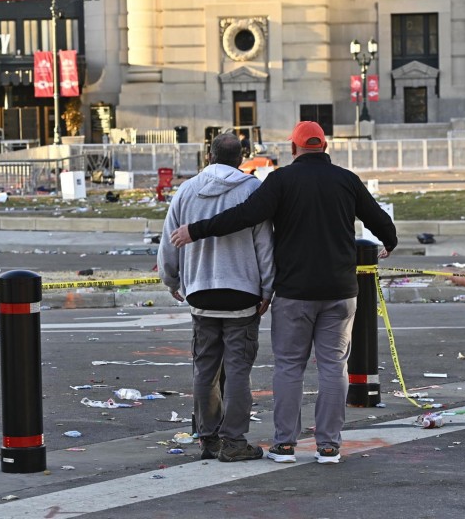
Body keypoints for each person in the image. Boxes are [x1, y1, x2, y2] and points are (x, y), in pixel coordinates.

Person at [170, 121, 397, 465]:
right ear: (324, 147)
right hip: (340, 291)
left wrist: (195, 231)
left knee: (290, 367)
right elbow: (379, 220)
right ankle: (328, 446)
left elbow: (244, 217)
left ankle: (285, 444)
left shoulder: (281, 181)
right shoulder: (347, 180)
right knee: (334, 365)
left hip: (294, 293)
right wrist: (389, 242)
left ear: (293, 149)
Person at [158, 132, 274, 463]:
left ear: (208, 156)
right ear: (241, 159)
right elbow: (264, 245)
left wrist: (171, 278)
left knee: (205, 368)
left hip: (200, 292)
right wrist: (268, 288)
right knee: (238, 369)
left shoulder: (187, 190)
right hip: (242, 291)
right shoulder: (252, 190)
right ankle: (234, 442)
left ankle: (208, 439)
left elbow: (169, 241)